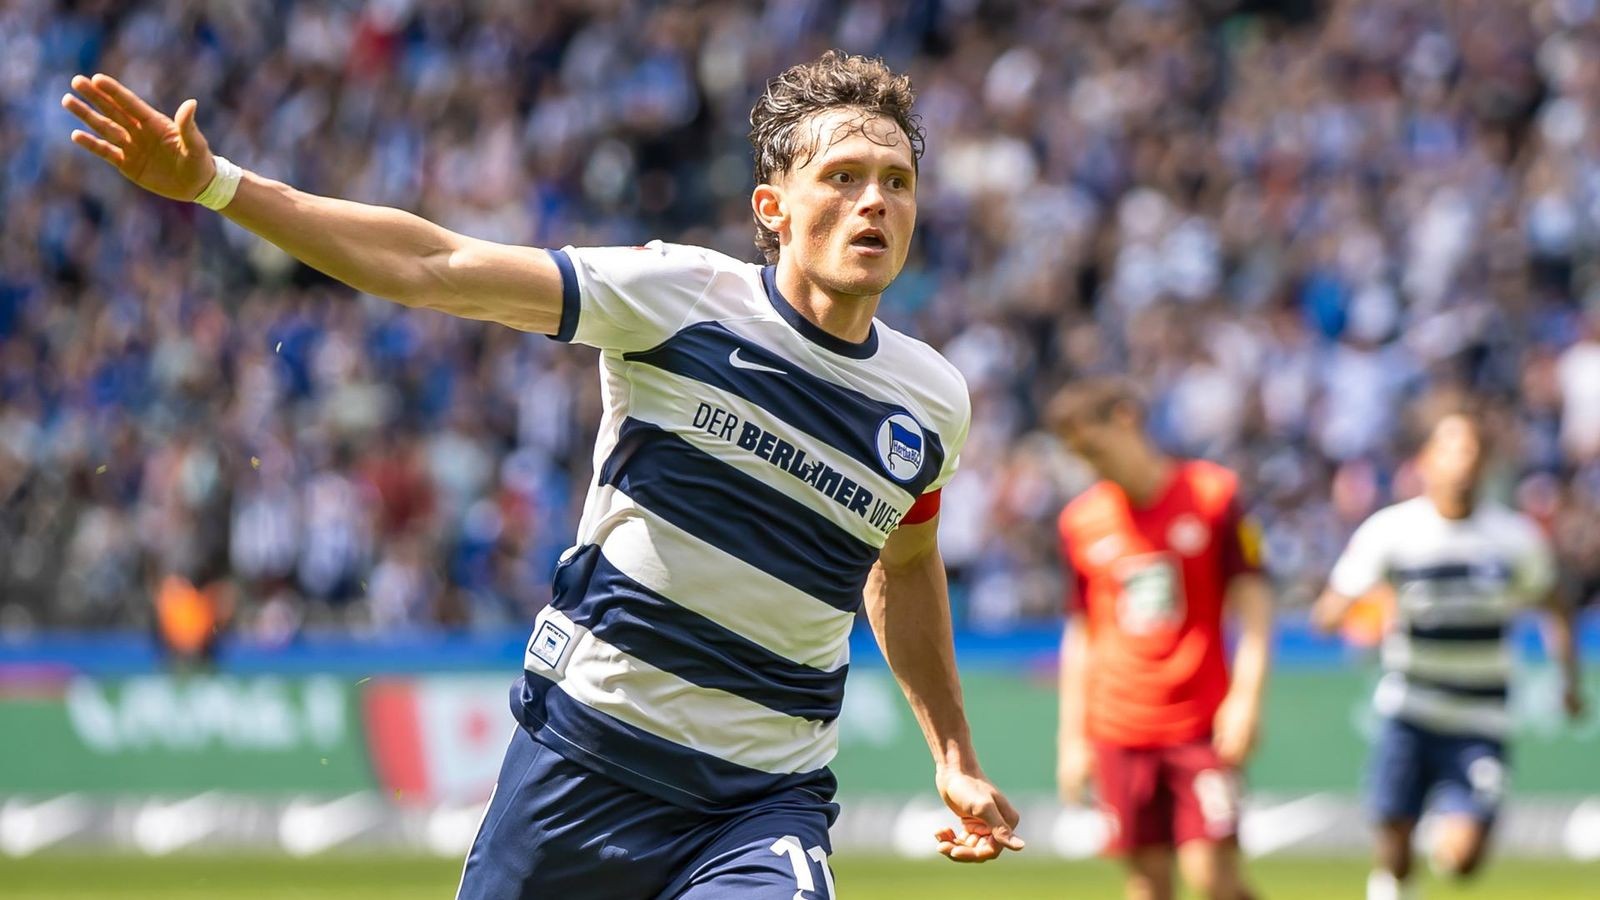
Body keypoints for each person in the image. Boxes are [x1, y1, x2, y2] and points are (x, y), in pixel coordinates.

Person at [62, 51, 1023, 899]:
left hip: (762, 802)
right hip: (583, 765)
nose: (874, 202)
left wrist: (953, 754)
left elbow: (904, 562)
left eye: (896, 182)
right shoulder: (680, 298)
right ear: (772, 208)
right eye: (843, 176)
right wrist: (218, 185)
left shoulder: (931, 401)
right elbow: (437, 263)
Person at [1312, 405, 1586, 900]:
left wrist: (1569, 680)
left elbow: (1556, 606)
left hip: (1480, 718)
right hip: (1410, 707)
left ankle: (1444, 828)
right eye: (1452, 449)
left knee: (1462, 860)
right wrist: (1359, 616)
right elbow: (1330, 612)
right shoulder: (1391, 531)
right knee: (1393, 847)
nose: (1463, 461)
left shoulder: (1514, 539)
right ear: (1427, 460)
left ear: (1486, 464)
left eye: (1472, 451)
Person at [1049, 377, 1271, 900]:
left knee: (1212, 878)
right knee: (1147, 887)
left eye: (1095, 449)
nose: (1092, 466)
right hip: (1119, 727)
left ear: (1126, 419)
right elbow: (1082, 635)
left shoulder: (1214, 495)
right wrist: (1072, 738)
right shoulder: (1081, 521)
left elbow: (1256, 607)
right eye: (1080, 456)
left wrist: (1246, 700)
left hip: (1199, 725)